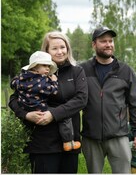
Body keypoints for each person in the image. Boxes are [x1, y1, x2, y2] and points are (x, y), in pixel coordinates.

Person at [9, 31, 88, 173]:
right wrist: (26, 115)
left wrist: (53, 114)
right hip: (42, 142)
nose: (60, 52)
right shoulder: (32, 74)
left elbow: (81, 99)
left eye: (63, 47)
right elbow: (14, 99)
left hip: (69, 141)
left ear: (67, 48)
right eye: (54, 48)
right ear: (46, 51)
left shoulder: (76, 71)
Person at [80, 26, 136, 173]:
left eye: (111, 41)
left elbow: (134, 104)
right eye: (103, 41)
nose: (108, 44)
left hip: (119, 135)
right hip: (91, 136)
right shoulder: (82, 69)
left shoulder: (125, 71)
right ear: (94, 44)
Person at [10, 51, 81, 152]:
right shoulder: (42, 81)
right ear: (34, 67)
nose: (47, 68)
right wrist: (54, 81)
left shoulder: (20, 78)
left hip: (24, 107)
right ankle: (68, 142)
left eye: (48, 66)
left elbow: (13, 84)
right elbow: (54, 91)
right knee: (64, 117)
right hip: (39, 107)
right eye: (44, 65)